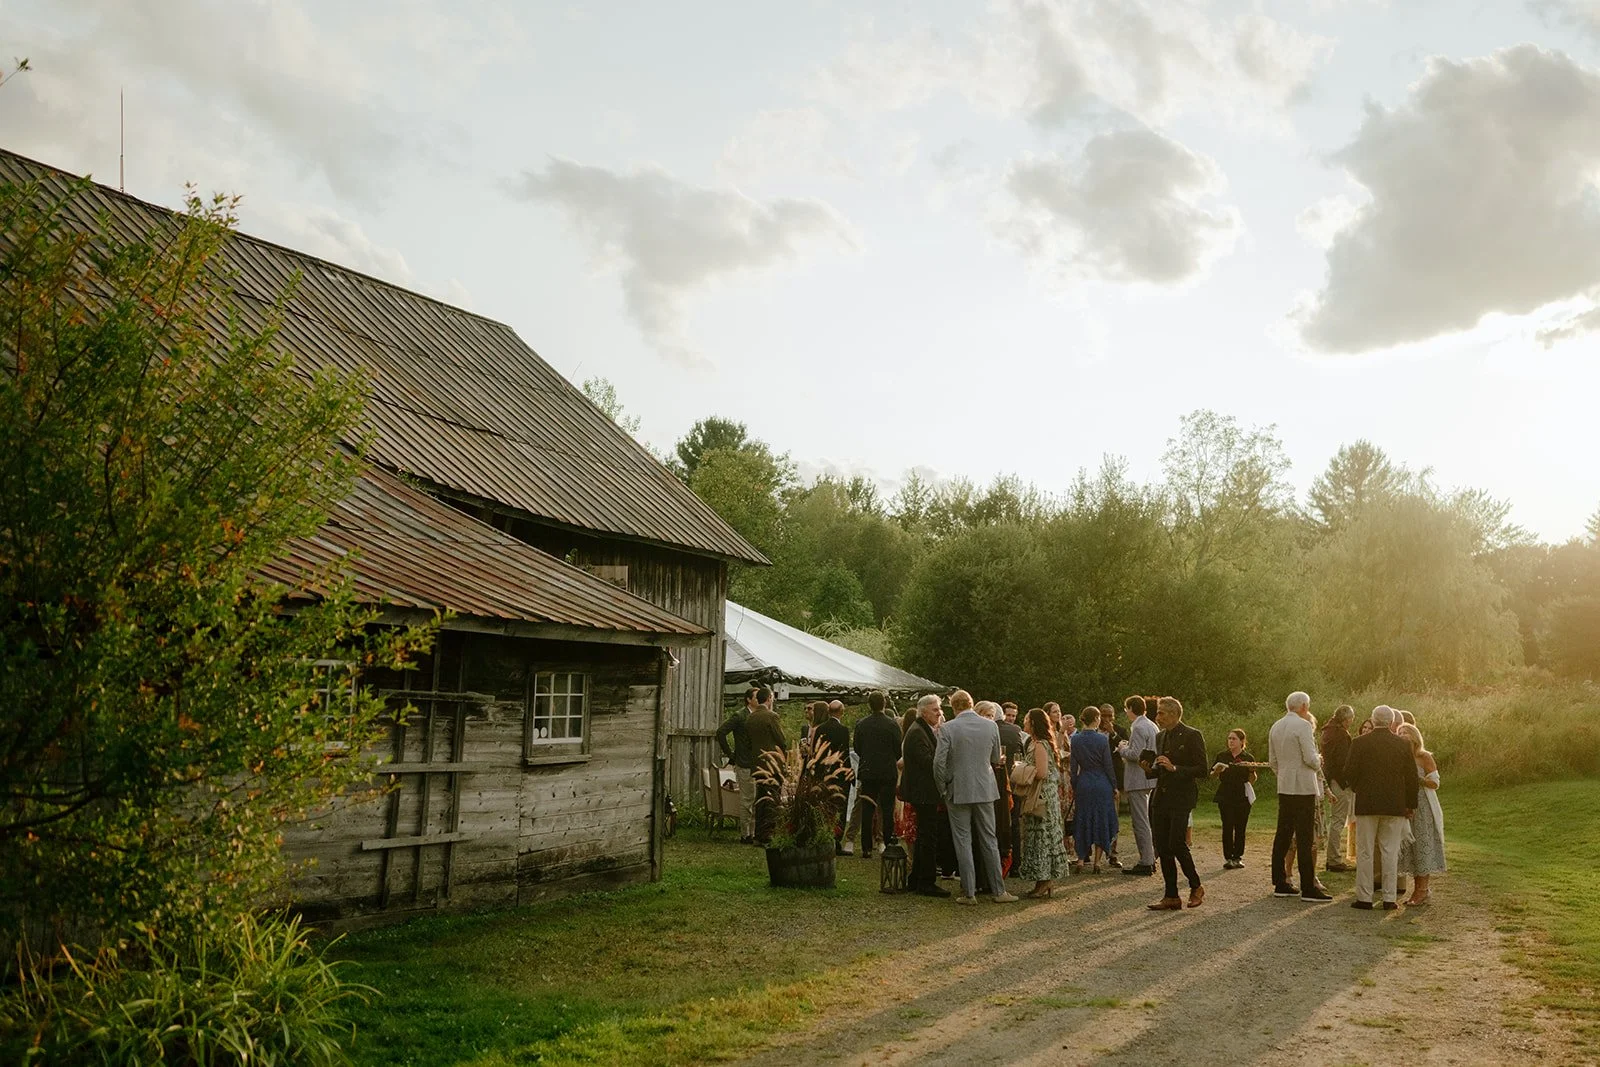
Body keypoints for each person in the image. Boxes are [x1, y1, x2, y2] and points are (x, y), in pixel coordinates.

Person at [932, 690, 1018, 904]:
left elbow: (938, 763)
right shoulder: (990, 726)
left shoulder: (948, 728)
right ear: (971, 704)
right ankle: (999, 891)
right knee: (989, 838)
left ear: (954, 707)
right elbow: (995, 758)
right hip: (985, 788)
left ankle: (969, 892)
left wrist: (943, 787)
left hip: (957, 789)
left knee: (963, 840)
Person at [1344, 705, 1419, 910]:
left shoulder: (1360, 743)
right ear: (1391, 721)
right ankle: (1389, 898)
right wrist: (1410, 804)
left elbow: (1349, 773)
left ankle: (1365, 897)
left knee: (1365, 851)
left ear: (1373, 720)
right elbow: (1412, 777)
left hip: (1367, 803)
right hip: (1394, 804)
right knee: (1390, 851)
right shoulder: (1402, 745)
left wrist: (1359, 787)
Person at [1143, 696, 1208, 910]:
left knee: (1177, 843)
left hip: (1181, 797)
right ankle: (1171, 895)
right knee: (1162, 846)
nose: (1157, 717)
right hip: (1161, 797)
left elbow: (1202, 769)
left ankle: (1195, 885)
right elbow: (1160, 770)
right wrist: (1149, 769)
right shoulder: (1160, 737)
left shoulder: (1192, 735)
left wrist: (1175, 768)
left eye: (1161, 713)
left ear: (1173, 714)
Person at [1269, 691, 1331, 902]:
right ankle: (1308, 887)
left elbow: (1273, 761)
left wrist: (1284, 775)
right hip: (1303, 786)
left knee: (1283, 834)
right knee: (1304, 837)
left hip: (1285, 784)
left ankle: (1280, 881)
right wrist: (1319, 759)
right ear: (1304, 706)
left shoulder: (1276, 726)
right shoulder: (1303, 726)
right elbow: (1310, 758)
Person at [899, 694, 950, 897]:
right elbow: (929, 762)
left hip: (923, 791)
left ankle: (917, 878)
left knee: (924, 836)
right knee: (928, 836)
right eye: (935, 710)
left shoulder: (923, 730)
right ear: (923, 712)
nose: (939, 713)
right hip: (923, 792)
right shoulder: (918, 732)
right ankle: (926, 881)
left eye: (939, 709)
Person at [1017, 707, 1070, 897]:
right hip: (1041, 795)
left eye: (1026, 720)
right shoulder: (1036, 742)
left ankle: (1045, 880)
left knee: (1042, 836)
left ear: (1033, 723)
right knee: (1037, 837)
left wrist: (1021, 769)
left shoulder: (1040, 744)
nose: (1024, 723)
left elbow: (1041, 772)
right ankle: (1042, 880)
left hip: (1043, 797)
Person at [1396, 723, 1446, 906]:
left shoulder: (1424, 757)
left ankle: (1422, 890)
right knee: (1410, 847)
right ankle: (1416, 889)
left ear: (1414, 736)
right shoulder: (1399, 757)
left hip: (1423, 805)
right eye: (1399, 732)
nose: (1402, 735)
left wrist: (1419, 780)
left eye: (1405, 732)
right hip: (1405, 805)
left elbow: (1435, 783)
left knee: (1422, 845)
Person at [854, 691, 901, 860]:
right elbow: (898, 748)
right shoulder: (892, 724)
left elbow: (857, 747)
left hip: (868, 771)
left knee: (867, 809)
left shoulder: (862, 724)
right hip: (887, 771)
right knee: (887, 809)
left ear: (869, 705)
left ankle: (866, 847)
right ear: (885, 704)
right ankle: (888, 843)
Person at [1069, 706, 1118, 873]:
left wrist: (1075, 785)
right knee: (1101, 820)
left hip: (1084, 782)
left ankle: (1081, 859)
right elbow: (1108, 765)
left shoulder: (1075, 740)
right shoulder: (1102, 740)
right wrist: (1114, 785)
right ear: (1097, 719)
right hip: (1102, 783)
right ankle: (1097, 862)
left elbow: (1073, 767)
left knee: (1083, 820)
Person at [1117, 695, 1159, 877]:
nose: (1125, 712)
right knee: (1145, 820)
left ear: (1131, 708)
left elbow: (1136, 754)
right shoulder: (1150, 724)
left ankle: (1146, 861)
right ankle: (1149, 858)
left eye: (1126, 708)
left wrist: (1121, 749)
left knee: (1140, 822)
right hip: (1147, 779)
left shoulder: (1139, 727)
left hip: (1138, 779)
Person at [714, 690, 759, 844]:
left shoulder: (758, 715)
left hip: (756, 763)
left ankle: (753, 833)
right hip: (744, 762)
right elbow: (721, 732)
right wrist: (731, 754)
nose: (758, 699)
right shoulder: (740, 716)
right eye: (755, 697)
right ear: (748, 699)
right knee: (747, 799)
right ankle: (745, 834)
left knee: (754, 800)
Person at [745, 686, 787, 846]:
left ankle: (757, 834)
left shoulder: (751, 718)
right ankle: (767, 834)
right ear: (769, 698)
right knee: (772, 799)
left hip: (757, 763)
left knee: (760, 799)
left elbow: (748, 742)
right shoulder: (771, 716)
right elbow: (781, 739)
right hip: (772, 764)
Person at [1210, 729, 1257, 868]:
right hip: (1225, 793)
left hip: (1242, 794)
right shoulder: (1222, 756)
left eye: (1234, 739)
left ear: (1242, 741)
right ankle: (1228, 857)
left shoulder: (1248, 757)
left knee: (1240, 827)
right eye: (1229, 738)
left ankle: (1238, 856)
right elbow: (1212, 775)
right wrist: (1217, 771)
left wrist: (1252, 771)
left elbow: (1252, 780)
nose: (1230, 741)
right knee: (1228, 825)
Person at [812, 701, 852, 855]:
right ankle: (836, 839)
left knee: (825, 806)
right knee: (839, 807)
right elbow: (845, 753)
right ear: (841, 712)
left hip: (823, 773)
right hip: (839, 773)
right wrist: (848, 773)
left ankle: (824, 836)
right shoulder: (843, 730)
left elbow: (817, 754)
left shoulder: (820, 729)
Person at [1322, 705, 1356, 872]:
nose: (1351, 722)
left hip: (1330, 778)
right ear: (1345, 719)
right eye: (1350, 719)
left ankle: (1332, 858)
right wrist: (1348, 781)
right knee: (1337, 820)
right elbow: (1343, 762)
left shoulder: (1327, 731)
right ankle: (1334, 859)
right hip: (1339, 781)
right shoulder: (1341, 735)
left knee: (1335, 819)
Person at [996, 702, 1027, 869]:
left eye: (1013, 716)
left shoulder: (1017, 732)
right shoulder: (1014, 732)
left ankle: (1010, 861)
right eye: (1008, 715)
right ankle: (1014, 863)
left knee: (1009, 822)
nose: (1011, 719)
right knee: (1013, 823)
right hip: (1009, 780)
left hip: (1007, 780)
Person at [1098, 704, 1126, 868]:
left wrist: (1113, 733)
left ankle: (1113, 854)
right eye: (1103, 715)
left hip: (1114, 779)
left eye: (1110, 716)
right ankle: (1091, 854)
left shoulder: (1120, 731)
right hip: (1096, 778)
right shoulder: (1092, 732)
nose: (1106, 719)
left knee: (1113, 817)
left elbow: (1125, 748)